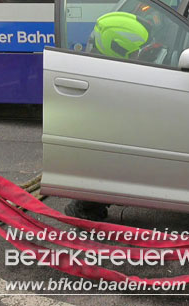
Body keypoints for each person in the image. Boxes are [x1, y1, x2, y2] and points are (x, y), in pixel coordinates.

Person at [64, 12, 149, 221]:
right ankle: (84, 205)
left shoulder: (99, 59)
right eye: (134, 52)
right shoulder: (103, 75)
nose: (138, 55)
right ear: (117, 47)